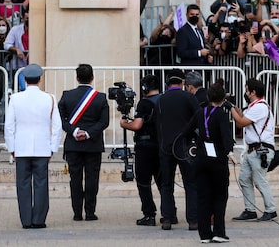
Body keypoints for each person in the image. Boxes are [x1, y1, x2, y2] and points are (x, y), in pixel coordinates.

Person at [4, 63, 62, 229]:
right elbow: (57, 126)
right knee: (41, 183)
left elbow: (9, 126)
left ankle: (26, 220)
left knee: (22, 184)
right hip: (43, 148)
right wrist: (53, 148)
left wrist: (12, 148)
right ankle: (39, 219)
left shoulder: (15, 98)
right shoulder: (49, 98)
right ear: (40, 79)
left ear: (25, 79)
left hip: (21, 148)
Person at [57, 63, 110, 222]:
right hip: (93, 144)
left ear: (77, 78)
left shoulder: (67, 95)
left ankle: (77, 213)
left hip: (73, 144)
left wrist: (74, 131)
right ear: (92, 78)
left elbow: (60, 120)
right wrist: (88, 133)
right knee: (92, 179)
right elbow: (104, 122)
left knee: (75, 179)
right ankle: (90, 212)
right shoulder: (100, 98)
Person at [186, 84, 235, 244]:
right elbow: (226, 137)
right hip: (218, 161)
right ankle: (219, 232)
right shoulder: (221, 115)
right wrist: (229, 151)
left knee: (203, 197)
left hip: (201, 159)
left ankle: (204, 233)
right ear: (223, 99)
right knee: (220, 196)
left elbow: (187, 130)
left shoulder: (200, 112)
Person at [154, 68, 199, 230]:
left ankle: (167, 218)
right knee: (190, 184)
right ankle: (193, 220)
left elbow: (156, 124)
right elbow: (199, 118)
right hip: (185, 146)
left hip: (166, 147)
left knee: (166, 184)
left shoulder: (161, 99)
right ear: (183, 82)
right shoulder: (189, 97)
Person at [230, 78, 278, 222]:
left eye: (246, 90)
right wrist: (233, 106)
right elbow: (243, 117)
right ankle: (250, 210)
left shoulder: (260, 107)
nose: (245, 93)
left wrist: (231, 108)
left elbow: (241, 123)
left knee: (260, 181)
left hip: (260, 150)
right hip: (253, 151)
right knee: (244, 179)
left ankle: (271, 209)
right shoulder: (254, 106)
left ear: (253, 92)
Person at [119, 74, 162, 226]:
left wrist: (124, 124)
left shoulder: (144, 104)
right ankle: (169, 213)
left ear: (144, 88)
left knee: (144, 182)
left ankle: (149, 214)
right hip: (161, 147)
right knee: (163, 182)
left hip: (146, 147)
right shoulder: (163, 100)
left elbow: (137, 125)